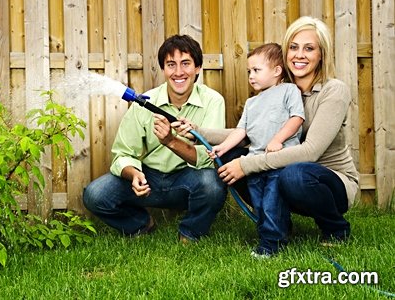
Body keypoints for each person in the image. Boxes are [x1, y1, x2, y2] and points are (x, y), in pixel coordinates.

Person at [181, 16, 359, 253]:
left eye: (309, 48)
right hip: (286, 170)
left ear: (321, 55)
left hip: (328, 180)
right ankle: (279, 225)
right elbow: (249, 133)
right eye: (294, 47)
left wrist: (247, 165)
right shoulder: (275, 93)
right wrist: (196, 131)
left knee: (293, 174)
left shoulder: (333, 91)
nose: (299, 54)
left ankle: (335, 227)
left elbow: (311, 151)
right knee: (232, 155)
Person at [83, 34, 227, 242]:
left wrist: (171, 141)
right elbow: (123, 153)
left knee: (214, 184)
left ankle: (190, 232)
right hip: (148, 179)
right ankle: (140, 225)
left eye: (185, 63)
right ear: (163, 69)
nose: (178, 72)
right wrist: (133, 174)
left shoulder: (213, 101)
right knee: (95, 194)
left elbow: (208, 158)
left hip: (187, 181)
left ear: (198, 68)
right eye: (171, 64)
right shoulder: (145, 104)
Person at [207, 43, 304, 257]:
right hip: (255, 162)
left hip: (279, 162)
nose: (251, 75)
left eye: (257, 70)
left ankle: (270, 245)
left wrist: (278, 139)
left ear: (277, 71)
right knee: (260, 205)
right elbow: (241, 131)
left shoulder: (288, 91)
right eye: (249, 71)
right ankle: (278, 233)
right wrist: (222, 147)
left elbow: (297, 118)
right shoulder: (252, 103)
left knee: (271, 203)